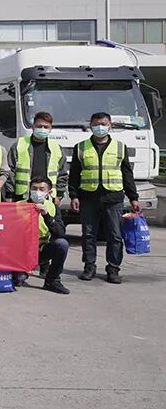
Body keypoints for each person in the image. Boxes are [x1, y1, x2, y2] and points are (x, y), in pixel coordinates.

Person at [69, 112, 139, 284]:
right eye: (96, 124)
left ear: (110, 125)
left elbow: (127, 174)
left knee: (115, 235)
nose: (100, 127)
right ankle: (89, 266)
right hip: (88, 197)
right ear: (91, 125)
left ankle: (113, 269)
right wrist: (74, 195)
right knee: (88, 234)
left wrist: (133, 197)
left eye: (103, 124)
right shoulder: (81, 147)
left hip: (113, 198)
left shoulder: (120, 147)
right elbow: (74, 175)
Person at [22, 177, 70, 294]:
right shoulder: (19, 206)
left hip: (41, 250)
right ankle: (20, 273)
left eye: (41, 189)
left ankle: (52, 280)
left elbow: (60, 232)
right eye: (34, 188)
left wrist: (47, 216)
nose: (37, 192)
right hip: (22, 252)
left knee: (62, 244)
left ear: (49, 192)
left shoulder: (52, 207)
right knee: (18, 279)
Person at [6, 111, 67, 203]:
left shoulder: (56, 148)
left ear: (50, 128)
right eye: (39, 126)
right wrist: (9, 194)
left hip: (48, 197)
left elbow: (62, 174)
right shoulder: (19, 145)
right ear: (33, 126)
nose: (42, 129)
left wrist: (59, 194)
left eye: (46, 127)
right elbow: (10, 171)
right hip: (23, 197)